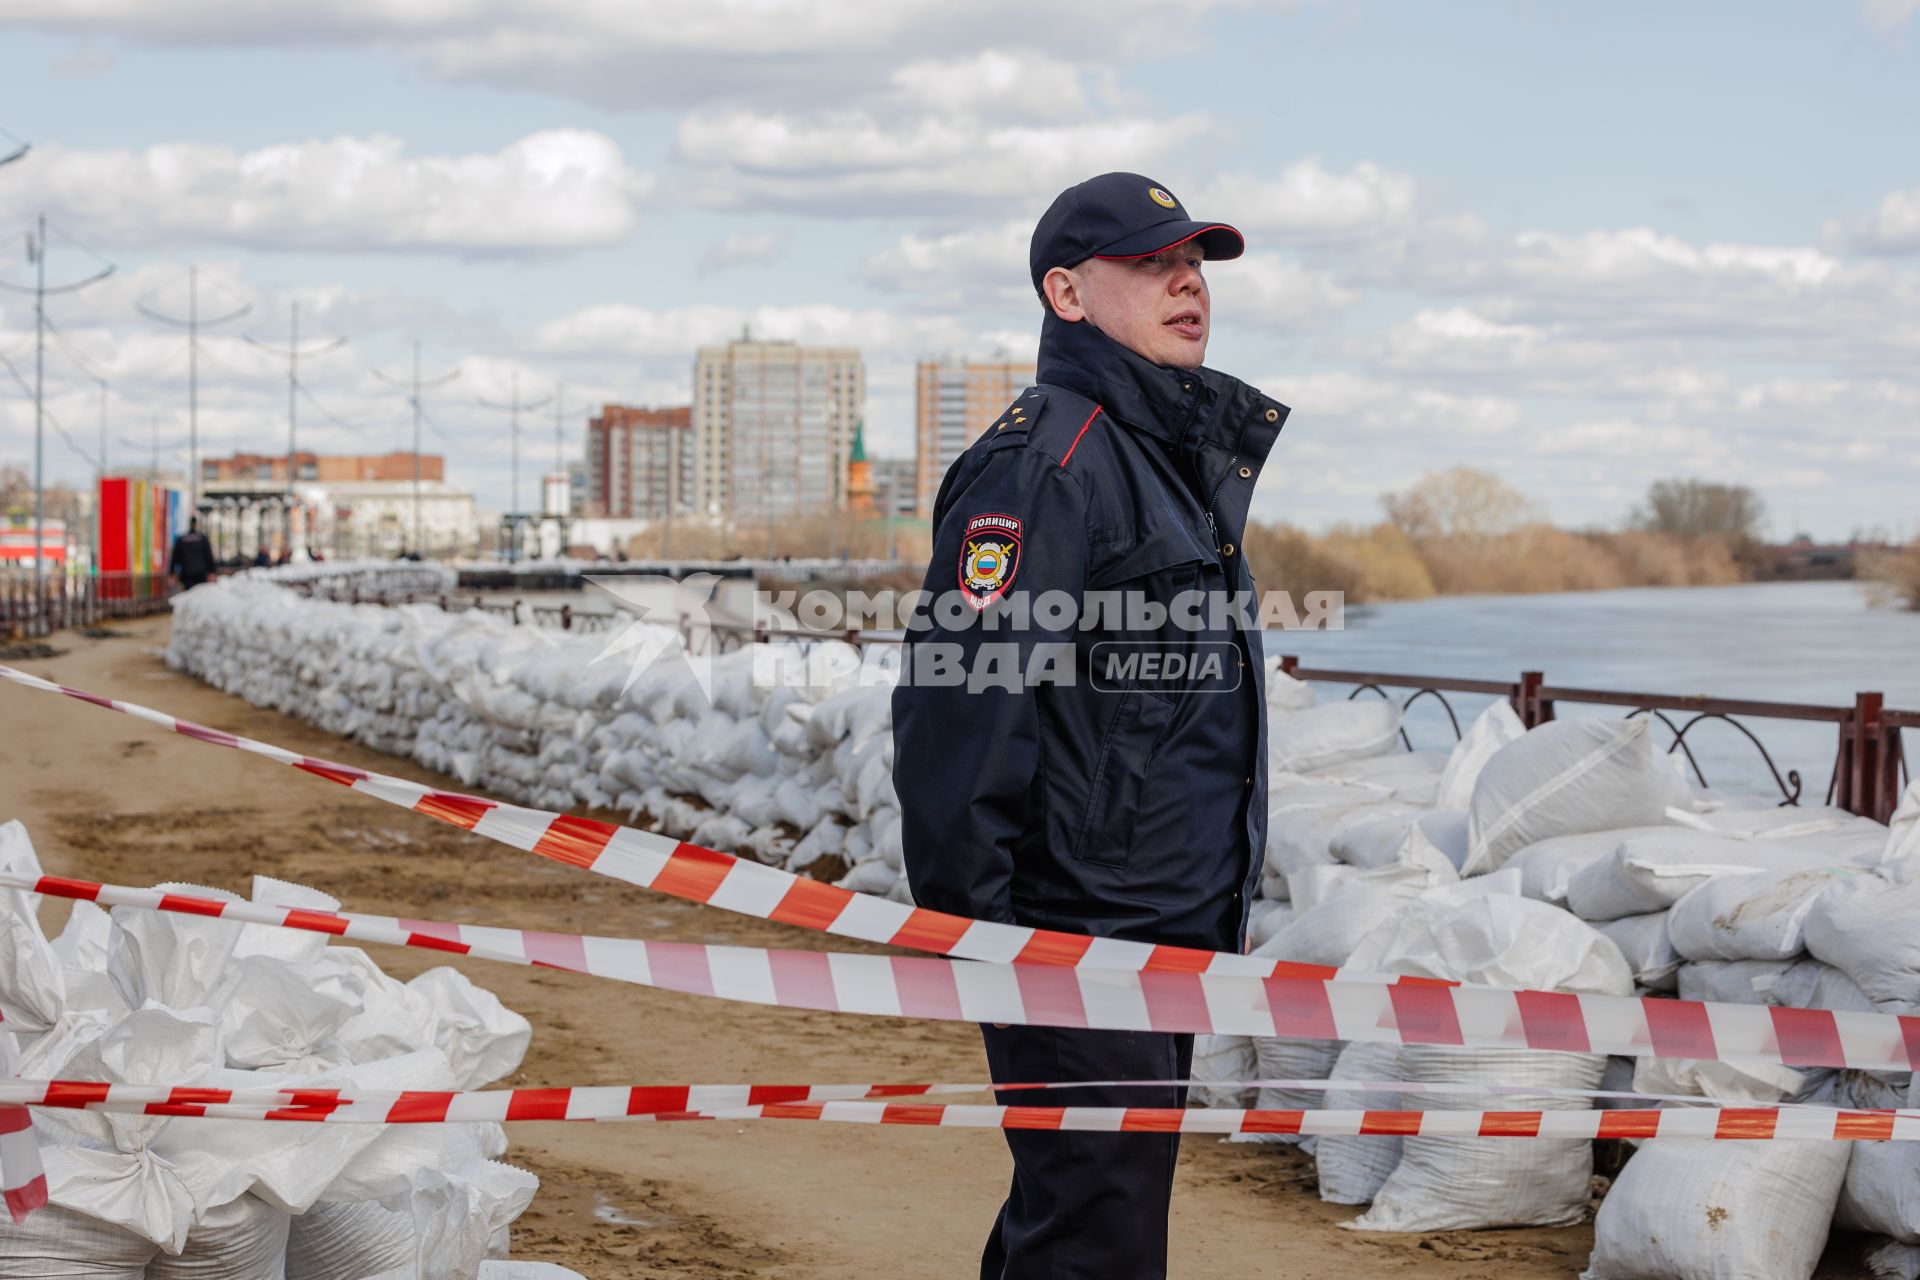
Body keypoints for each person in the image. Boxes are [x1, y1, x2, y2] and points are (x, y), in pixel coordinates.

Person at [891, 172, 1289, 1279]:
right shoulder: (1045, 464)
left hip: (1158, 924)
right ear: (1067, 291)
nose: (1188, 284)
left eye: (1196, 265)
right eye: (1154, 263)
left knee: (1080, 1216)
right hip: (1074, 934)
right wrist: (987, 936)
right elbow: (959, 709)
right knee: (1094, 1232)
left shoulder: (1160, 460)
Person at [167, 517, 218, 591]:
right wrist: (212, 572)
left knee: (188, 595)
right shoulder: (203, 538)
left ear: (190, 524)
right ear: (196, 524)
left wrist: (171, 573)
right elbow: (209, 557)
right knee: (199, 596)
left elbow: (174, 558)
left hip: (186, 575)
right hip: (201, 575)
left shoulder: (181, 539)